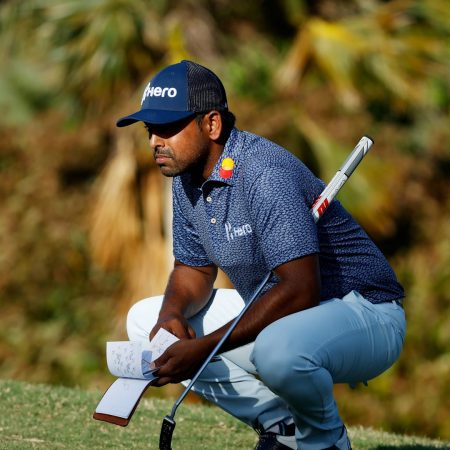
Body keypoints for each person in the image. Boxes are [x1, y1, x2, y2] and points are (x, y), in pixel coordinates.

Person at [116, 60, 406, 450]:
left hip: (366, 314)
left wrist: (200, 350)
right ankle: (280, 427)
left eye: (167, 128)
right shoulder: (186, 177)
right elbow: (193, 269)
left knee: (278, 351)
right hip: (293, 318)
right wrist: (171, 316)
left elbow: (300, 290)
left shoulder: (264, 172)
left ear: (212, 124)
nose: (154, 141)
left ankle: (326, 442)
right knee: (144, 320)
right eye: (151, 130)